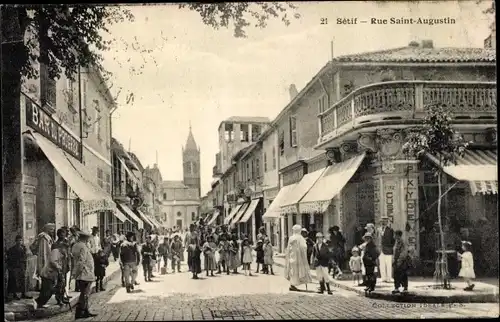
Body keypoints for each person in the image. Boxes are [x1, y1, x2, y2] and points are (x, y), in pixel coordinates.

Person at [70, 230, 97, 319]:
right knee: (85, 294)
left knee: (84, 294)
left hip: (82, 273)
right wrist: (77, 272)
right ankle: (80, 312)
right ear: (85, 239)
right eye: (87, 239)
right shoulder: (83, 247)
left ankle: (85, 311)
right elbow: (81, 261)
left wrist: (75, 273)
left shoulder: (75, 246)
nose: (88, 241)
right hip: (85, 273)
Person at [284, 225, 313, 292]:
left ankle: (292, 285)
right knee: (298, 272)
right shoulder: (300, 238)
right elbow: (304, 247)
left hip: (292, 258)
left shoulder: (291, 238)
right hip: (298, 258)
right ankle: (292, 285)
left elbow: (288, 248)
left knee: (293, 272)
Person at [6, 235, 32, 301]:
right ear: (16, 241)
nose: (19, 242)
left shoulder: (23, 248)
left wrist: (25, 265)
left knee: (23, 280)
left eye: (21, 240)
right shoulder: (12, 249)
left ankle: (23, 294)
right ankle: (14, 294)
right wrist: (11, 267)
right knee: (14, 281)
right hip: (15, 267)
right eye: (18, 240)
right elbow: (9, 259)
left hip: (22, 266)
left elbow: (25, 257)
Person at [31, 223, 55, 289]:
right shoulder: (44, 237)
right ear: (47, 229)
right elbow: (44, 250)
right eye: (51, 229)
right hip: (44, 257)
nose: (53, 231)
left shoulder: (46, 236)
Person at [52, 228, 71, 305]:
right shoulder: (55, 245)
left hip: (65, 264)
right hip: (58, 264)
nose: (63, 235)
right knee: (59, 282)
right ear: (58, 235)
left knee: (64, 281)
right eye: (61, 234)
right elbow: (54, 256)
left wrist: (68, 264)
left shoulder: (66, 244)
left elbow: (68, 254)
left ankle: (62, 297)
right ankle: (58, 298)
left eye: (64, 234)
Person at [392, 230, 410, 294]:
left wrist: (399, 260)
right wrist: (394, 260)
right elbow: (394, 251)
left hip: (402, 261)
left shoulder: (403, 242)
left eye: (396, 235)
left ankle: (405, 288)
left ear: (398, 235)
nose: (395, 236)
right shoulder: (396, 242)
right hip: (396, 260)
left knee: (403, 274)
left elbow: (404, 252)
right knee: (396, 274)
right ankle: (396, 288)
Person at [378, 217, 395, 283]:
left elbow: (393, 240)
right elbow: (378, 239)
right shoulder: (378, 229)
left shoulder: (390, 230)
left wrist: (390, 247)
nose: (383, 222)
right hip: (380, 249)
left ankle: (389, 278)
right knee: (381, 264)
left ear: (387, 222)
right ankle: (383, 278)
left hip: (388, 249)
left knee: (388, 264)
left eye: (385, 221)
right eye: (382, 221)